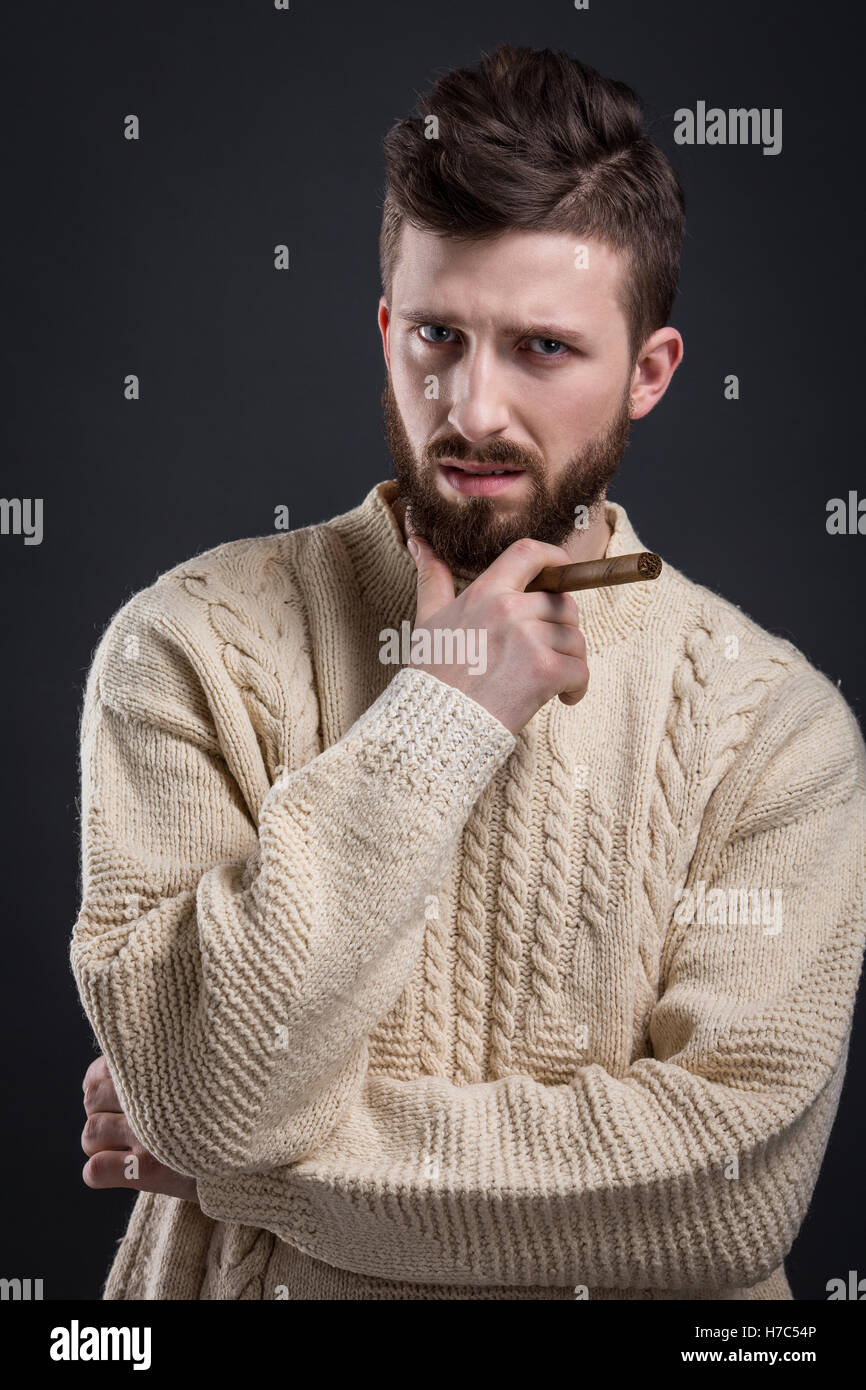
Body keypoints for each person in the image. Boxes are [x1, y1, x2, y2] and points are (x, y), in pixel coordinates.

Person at [73, 43, 866, 1301]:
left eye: (542, 348)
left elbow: (726, 1189)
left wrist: (237, 1162)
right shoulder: (185, 643)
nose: (474, 409)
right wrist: (440, 713)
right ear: (388, 328)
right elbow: (201, 1075)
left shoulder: (777, 730)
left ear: (648, 372)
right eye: (438, 333)